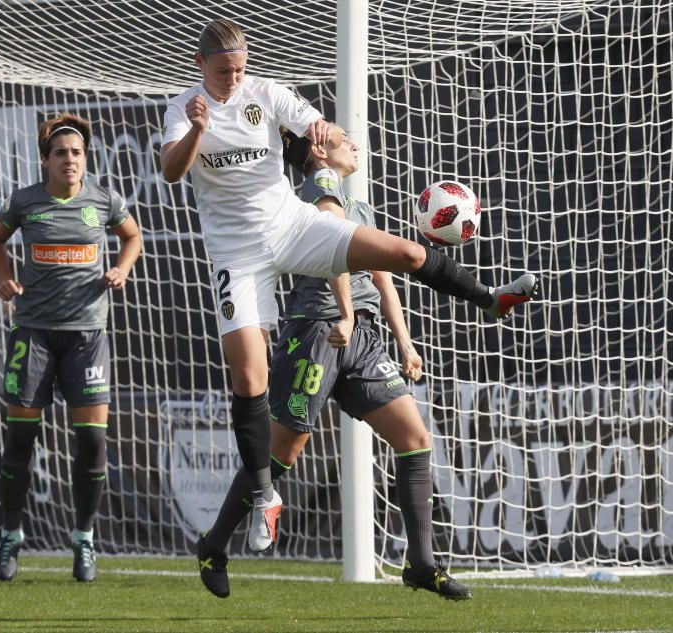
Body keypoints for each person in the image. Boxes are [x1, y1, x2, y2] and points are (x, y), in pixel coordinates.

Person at [160, 18, 537, 558]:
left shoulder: (265, 94)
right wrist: (198, 129)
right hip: (236, 256)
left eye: (241, 68)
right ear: (201, 66)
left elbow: (327, 131)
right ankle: (264, 496)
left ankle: (490, 299)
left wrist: (327, 132)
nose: (233, 79)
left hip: (291, 227)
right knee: (249, 375)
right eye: (223, 72)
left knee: (404, 252)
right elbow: (172, 171)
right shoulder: (183, 109)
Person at [196, 125, 474, 599]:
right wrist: (344, 314)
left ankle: (422, 563)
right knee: (281, 454)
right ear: (321, 150)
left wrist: (404, 343)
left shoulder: (358, 206)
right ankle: (213, 544)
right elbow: (330, 257)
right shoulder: (312, 191)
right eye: (346, 138)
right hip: (317, 331)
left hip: (361, 337)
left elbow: (384, 279)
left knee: (413, 439)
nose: (356, 144)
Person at [0, 114, 142, 583]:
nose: (69, 160)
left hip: (87, 336)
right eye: (61, 153)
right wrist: (2, 276)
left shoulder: (104, 199)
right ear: (45, 161)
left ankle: (84, 540)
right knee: (19, 439)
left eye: (76, 153)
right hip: (32, 333)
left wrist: (122, 268)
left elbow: (132, 236)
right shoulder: (24, 201)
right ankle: (11, 537)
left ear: (85, 159)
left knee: (92, 442)